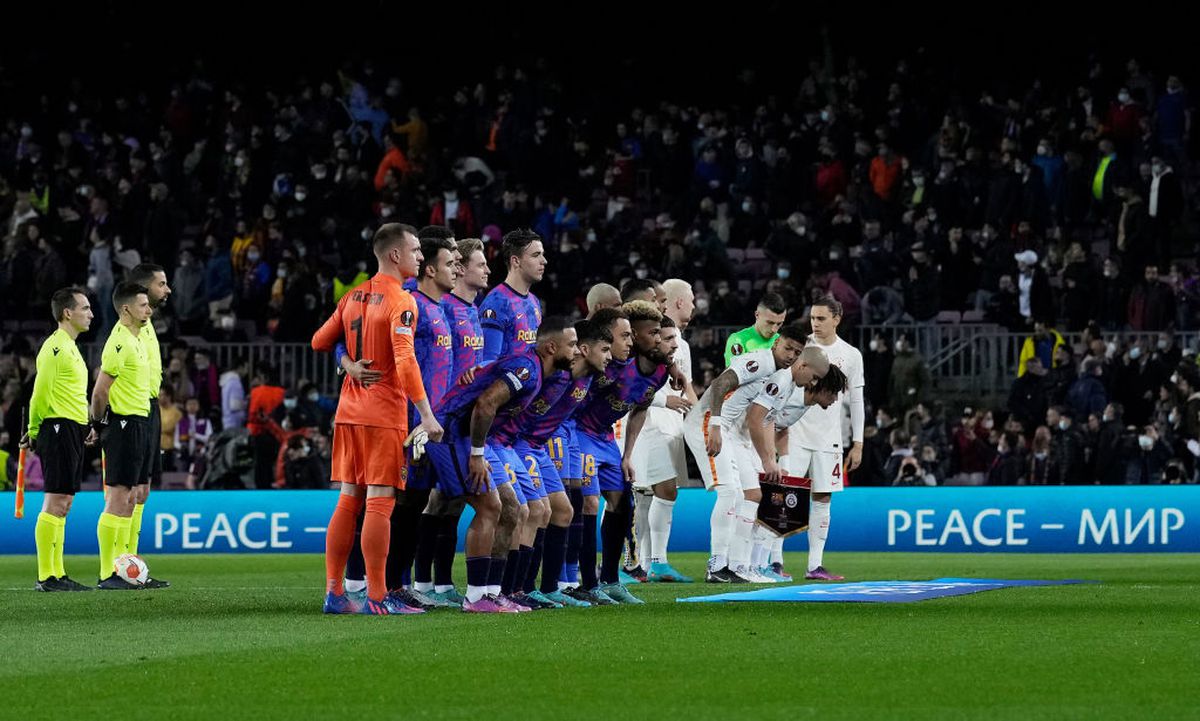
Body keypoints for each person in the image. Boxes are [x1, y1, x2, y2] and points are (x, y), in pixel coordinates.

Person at [310, 223, 443, 616]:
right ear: (395, 255)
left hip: (348, 414)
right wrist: (426, 414)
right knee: (381, 503)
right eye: (416, 250)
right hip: (383, 414)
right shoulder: (402, 300)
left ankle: (335, 593)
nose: (421, 257)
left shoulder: (352, 297)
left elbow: (320, 341)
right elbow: (405, 360)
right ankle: (378, 597)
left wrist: (347, 363)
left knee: (348, 499)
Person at [425, 319, 570, 612]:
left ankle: (489, 593)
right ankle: (475, 596)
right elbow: (486, 403)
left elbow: (493, 372)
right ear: (551, 347)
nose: (577, 350)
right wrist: (477, 454)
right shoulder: (527, 370)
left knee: (499, 508)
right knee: (492, 508)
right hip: (452, 433)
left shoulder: (533, 369)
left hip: (461, 435)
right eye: (572, 344)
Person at [683, 324, 806, 582]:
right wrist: (715, 424)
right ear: (775, 344)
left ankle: (734, 565)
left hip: (730, 431)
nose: (791, 355)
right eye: (788, 348)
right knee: (729, 492)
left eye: (797, 352)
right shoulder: (759, 362)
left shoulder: (779, 375)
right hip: (709, 422)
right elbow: (720, 382)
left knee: (746, 495)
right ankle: (716, 566)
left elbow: (764, 419)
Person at [572, 300, 672, 604]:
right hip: (580, 433)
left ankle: (611, 580)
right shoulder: (610, 364)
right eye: (652, 333)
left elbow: (639, 409)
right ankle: (587, 582)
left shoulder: (661, 373)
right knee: (590, 502)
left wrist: (627, 454)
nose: (658, 339)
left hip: (605, 438)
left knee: (621, 504)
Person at [509, 318, 612, 607]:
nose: (609, 357)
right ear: (583, 349)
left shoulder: (588, 377)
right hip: (522, 443)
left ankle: (548, 587)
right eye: (604, 350)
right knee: (540, 511)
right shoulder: (555, 375)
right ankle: (525, 587)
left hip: (540, 445)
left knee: (564, 510)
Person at [785, 296, 866, 581]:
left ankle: (814, 566)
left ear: (837, 318)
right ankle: (772, 562)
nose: (815, 324)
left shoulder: (851, 355)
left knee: (823, 497)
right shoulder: (800, 348)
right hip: (794, 433)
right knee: (785, 495)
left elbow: (856, 400)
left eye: (821, 318)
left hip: (828, 438)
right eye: (812, 318)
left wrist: (858, 442)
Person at [745, 349, 846, 576]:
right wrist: (769, 459)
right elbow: (760, 419)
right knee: (758, 506)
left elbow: (779, 427)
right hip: (746, 442)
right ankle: (749, 565)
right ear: (821, 386)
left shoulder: (804, 403)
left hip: (759, 447)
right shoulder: (790, 392)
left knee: (765, 507)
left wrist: (785, 462)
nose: (836, 400)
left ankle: (757, 566)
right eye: (834, 393)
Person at [21, 287, 95, 591]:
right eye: (85, 308)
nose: (91, 314)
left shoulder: (71, 348)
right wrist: (35, 429)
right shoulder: (55, 347)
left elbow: (71, 394)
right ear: (68, 313)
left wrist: (85, 425)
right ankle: (46, 576)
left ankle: (57, 572)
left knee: (64, 502)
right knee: (55, 500)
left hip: (71, 428)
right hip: (56, 427)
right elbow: (41, 392)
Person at [89, 282, 157, 590]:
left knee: (130, 497)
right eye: (143, 305)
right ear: (126, 309)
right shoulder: (119, 342)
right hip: (123, 424)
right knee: (117, 497)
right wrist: (99, 423)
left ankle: (125, 569)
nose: (149, 309)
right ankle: (108, 573)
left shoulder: (137, 337)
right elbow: (100, 390)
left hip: (139, 422)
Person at [630, 279, 698, 583]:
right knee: (645, 492)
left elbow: (687, 386)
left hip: (673, 425)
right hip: (647, 423)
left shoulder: (680, 343)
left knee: (649, 494)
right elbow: (630, 385)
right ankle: (649, 561)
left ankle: (643, 563)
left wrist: (697, 418)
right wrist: (662, 399)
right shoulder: (639, 341)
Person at [126, 264, 171, 580]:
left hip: (149, 407)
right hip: (133, 412)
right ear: (144, 288)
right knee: (128, 491)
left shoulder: (148, 324)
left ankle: (132, 567)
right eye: (162, 284)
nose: (167, 289)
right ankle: (118, 566)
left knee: (143, 490)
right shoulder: (128, 331)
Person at [479, 229, 546, 363]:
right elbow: (488, 363)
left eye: (542, 255)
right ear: (516, 261)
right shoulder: (497, 303)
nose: (544, 261)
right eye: (536, 255)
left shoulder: (534, 301)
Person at [723, 292, 787, 363]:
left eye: (779, 324)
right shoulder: (738, 340)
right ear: (757, 315)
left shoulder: (783, 343)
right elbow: (734, 373)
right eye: (770, 322)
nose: (774, 329)